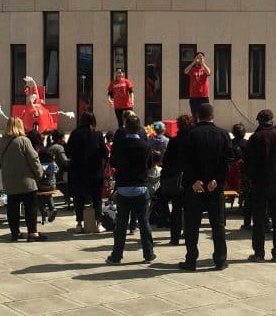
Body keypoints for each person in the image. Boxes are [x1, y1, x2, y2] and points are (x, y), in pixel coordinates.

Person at [179, 103, 233, 270]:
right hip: (214, 187)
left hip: (195, 187)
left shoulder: (190, 135)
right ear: (212, 116)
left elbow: (184, 161)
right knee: (217, 225)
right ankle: (220, 259)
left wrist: (193, 180)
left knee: (192, 225)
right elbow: (228, 160)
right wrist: (217, 179)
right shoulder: (223, 134)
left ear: (197, 116)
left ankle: (191, 260)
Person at [106, 113, 155, 264]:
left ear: (126, 128)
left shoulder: (119, 145)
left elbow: (113, 162)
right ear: (139, 128)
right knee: (144, 222)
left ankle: (117, 255)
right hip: (141, 187)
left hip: (124, 188)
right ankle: (148, 253)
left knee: (121, 224)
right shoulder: (146, 146)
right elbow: (149, 165)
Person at [244, 109, 276, 262]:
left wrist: (252, 177)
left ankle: (259, 252)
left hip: (259, 184)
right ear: (272, 119)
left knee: (258, 218)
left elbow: (247, 163)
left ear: (259, 121)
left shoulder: (255, 138)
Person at [0, 116, 47, 241]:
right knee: (30, 207)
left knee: (12, 208)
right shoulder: (24, 141)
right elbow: (34, 159)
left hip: (9, 180)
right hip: (27, 180)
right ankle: (32, 233)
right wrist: (40, 174)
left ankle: (15, 233)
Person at [65, 112, 108, 233]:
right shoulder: (98, 134)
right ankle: (98, 223)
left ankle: (79, 224)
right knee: (97, 198)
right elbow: (105, 153)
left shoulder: (74, 134)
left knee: (79, 198)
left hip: (78, 171)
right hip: (95, 171)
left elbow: (68, 152)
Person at [161, 114, 193, 244]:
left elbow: (167, 160)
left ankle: (174, 237)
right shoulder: (193, 139)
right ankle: (189, 235)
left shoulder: (174, 141)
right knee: (190, 209)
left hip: (176, 178)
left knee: (176, 209)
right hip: (191, 178)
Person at [184, 52, 211, 118]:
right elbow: (185, 71)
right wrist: (193, 62)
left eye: (201, 57)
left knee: (205, 116)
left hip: (204, 97)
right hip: (194, 97)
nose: (199, 59)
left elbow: (209, 73)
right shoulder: (192, 69)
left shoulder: (205, 69)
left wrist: (202, 63)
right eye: (198, 57)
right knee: (195, 115)